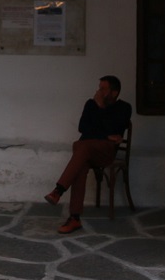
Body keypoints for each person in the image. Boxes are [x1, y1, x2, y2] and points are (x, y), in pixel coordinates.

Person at [44, 75, 132, 234]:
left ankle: (58, 191)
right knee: (81, 160)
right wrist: (106, 133)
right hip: (87, 151)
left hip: (105, 152)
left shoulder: (124, 108)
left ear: (114, 92)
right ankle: (75, 218)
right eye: (99, 88)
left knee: (80, 146)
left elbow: (116, 127)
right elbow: (83, 127)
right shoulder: (90, 104)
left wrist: (100, 110)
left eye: (103, 89)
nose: (98, 91)